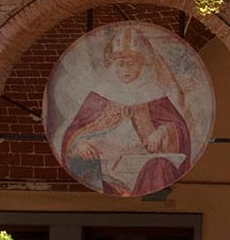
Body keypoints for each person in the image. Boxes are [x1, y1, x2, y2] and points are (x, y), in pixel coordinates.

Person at [55, 24, 197, 196]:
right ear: (113, 65)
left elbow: (180, 128)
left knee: (160, 166)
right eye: (120, 65)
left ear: (141, 65)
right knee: (83, 163)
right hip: (106, 164)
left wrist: (162, 132)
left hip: (141, 161)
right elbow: (75, 130)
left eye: (131, 64)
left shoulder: (153, 94)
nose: (125, 70)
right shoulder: (100, 94)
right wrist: (80, 143)